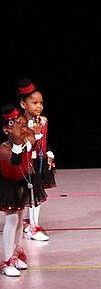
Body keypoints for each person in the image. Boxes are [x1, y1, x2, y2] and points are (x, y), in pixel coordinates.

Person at [0, 104, 48, 277]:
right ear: (6, 130)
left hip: (24, 180)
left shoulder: (27, 136)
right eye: (13, 123)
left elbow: (34, 142)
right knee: (12, 220)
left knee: (20, 220)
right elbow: (14, 161)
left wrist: (32, 134)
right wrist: (20, 142)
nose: (20, 124)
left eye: (20, 120)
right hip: (9, 184)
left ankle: (15, 253)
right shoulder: (4, 148)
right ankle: (6, 262)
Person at [17, 78, 55, 241]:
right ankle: (32, 227)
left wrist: (49, 153)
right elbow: (23, 143)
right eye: (34, 102)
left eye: (41, 102)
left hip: (39, 161)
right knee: (31, 193)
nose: (39, 106)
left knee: (35, 192)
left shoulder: (43, 120)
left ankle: (31, 222)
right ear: (24, 104)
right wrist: (36, 133)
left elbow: (45, 140)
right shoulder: (20, 123)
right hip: (24, 163)